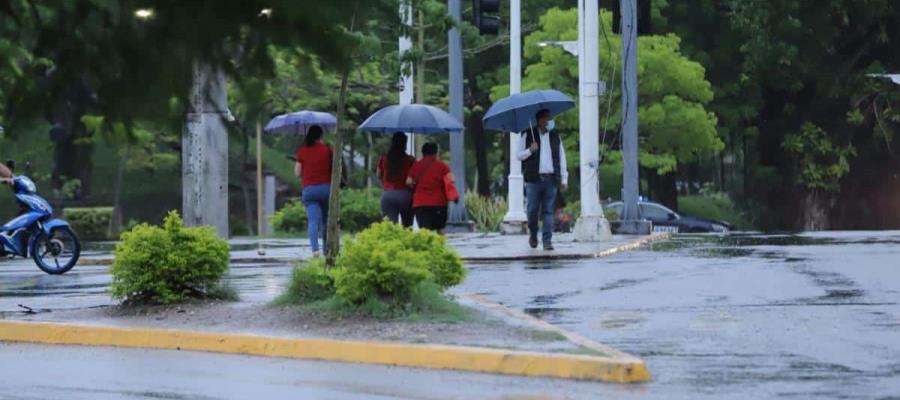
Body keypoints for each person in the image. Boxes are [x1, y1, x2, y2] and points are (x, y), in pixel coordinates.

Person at [517, 109, 568, 250]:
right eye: (547, 118)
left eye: (550, 118)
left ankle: (547, 241)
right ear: (540, 120)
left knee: (548, 211)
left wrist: (564, 179)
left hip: (550, 179)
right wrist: (530, 150)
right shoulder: (527, 134)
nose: (550, 121)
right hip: (533, 180)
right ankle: (533, 235)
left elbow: (562, 157)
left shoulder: (555, 136)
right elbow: (518, 155)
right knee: (532, 211)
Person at [294, 126, 332, 257]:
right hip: (327, 189)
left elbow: (297, 173)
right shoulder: (328, 150)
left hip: (310, 190)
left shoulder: (302, 151)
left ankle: (315, 250)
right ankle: (328, 249)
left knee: (313, 221)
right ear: (320, 136)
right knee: (326, 220)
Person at [407, 142, 455, 233]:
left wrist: (415, 186)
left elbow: (408, 181)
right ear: (436, 152)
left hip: (420, 203)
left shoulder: (416, 165)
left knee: (425, 231)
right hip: (439, 203)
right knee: (439, 230)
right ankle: (440, 246)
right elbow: (451, 179)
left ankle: (427, 246)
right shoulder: (442, 166)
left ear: (423, 152)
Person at [377, 132, 415, 227]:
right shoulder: (410, 160)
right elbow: (414, 179)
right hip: (406, 196)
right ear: (405, 144)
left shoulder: (384, 158)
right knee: (407, 227)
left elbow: (378, 174)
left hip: (388, 195)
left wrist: (385, 184)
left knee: (390, 228)